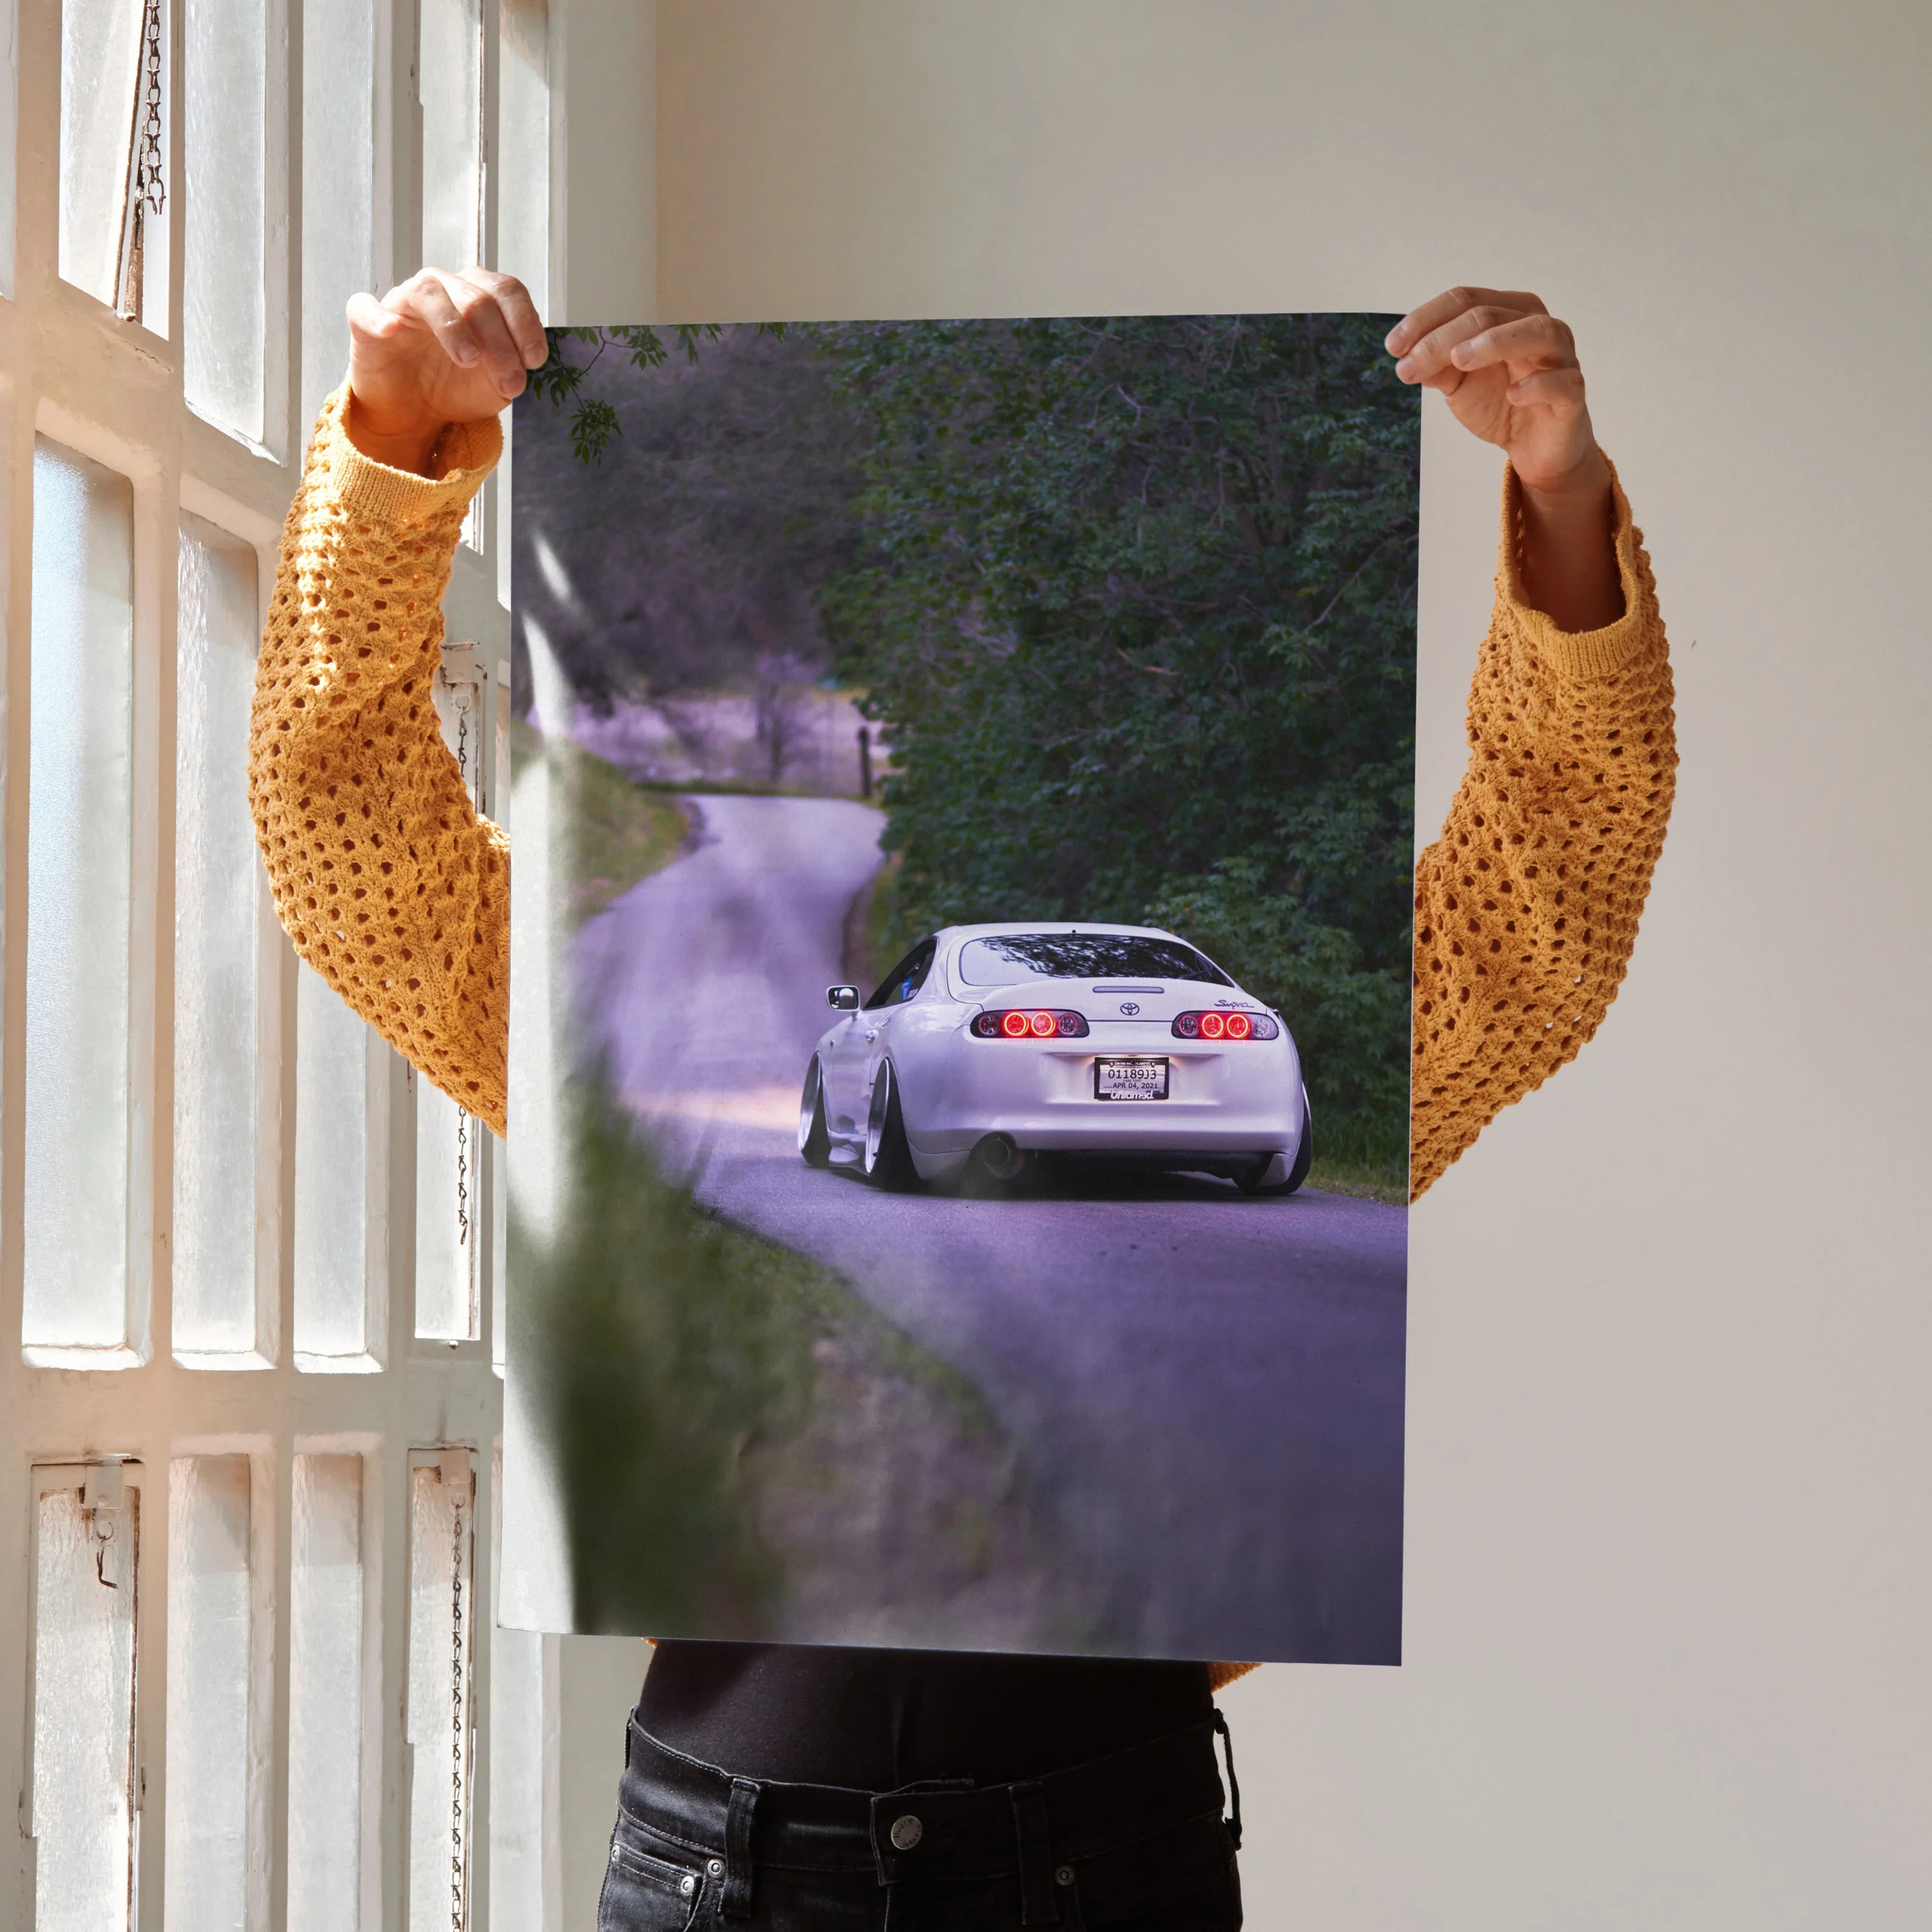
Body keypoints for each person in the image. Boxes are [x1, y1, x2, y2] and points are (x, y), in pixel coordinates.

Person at [250, 270, 1675, 1929]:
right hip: (734, 1864)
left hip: (1097, 1852)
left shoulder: (1204, 1083)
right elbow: (346, 834)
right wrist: (392, 442)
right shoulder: (608, 1045)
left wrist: (1561, 495)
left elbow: (1542, 904)